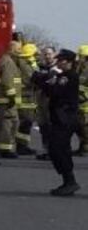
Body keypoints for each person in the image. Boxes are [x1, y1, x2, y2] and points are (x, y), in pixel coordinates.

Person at [32, 48, 81, 196]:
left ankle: (70, 181)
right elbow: (50, 90)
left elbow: (55, 91)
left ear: (69, 62)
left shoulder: (69, 77)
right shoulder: (62, 76)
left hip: (65, 118)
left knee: (57, 149)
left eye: (61, 60)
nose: (58, 62)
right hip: (60, 117)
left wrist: (43, 81)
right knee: (58, 149)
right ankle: (68, 181)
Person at [0, 40, 23, 159]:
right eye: (18, 49)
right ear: (11, 49)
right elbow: (7, 81)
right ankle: (5, 150)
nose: (19, 52)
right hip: (7, 100)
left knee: (12, 124)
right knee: (8, 125)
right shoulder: (8, 62)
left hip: (8, 100)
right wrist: (11, 96)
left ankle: (8, 147)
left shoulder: (9, 61)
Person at [16, 43, 39, 155]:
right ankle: (21, 146)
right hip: (25, 97)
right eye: (35, 53)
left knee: (27, 122)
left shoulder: (27, 63)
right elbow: (31, 79)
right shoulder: (25, 64)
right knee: (26, 122)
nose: (37, 55)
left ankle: (22, 145)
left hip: (28, 97)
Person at [35, 46, 57, 160]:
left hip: (52, 100)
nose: (48, 56)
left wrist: (44, 79)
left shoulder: (57, 68)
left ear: (54, 54)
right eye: (45, 54)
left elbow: (50, 82)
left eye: (49, 53)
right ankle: (45, 148)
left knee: (51, 126)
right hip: (41, 99)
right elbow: (35, 79)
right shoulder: (41, 67)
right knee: (43, 125)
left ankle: (53, 150)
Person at [76, 45, 88, 156]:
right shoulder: (80, 68)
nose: (79, 58)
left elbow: (81, 85)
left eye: (81, 56)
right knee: (80, 125)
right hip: (80, 102)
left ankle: (84, 147)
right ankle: (83, 146)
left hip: (84, 102)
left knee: (84, 126)